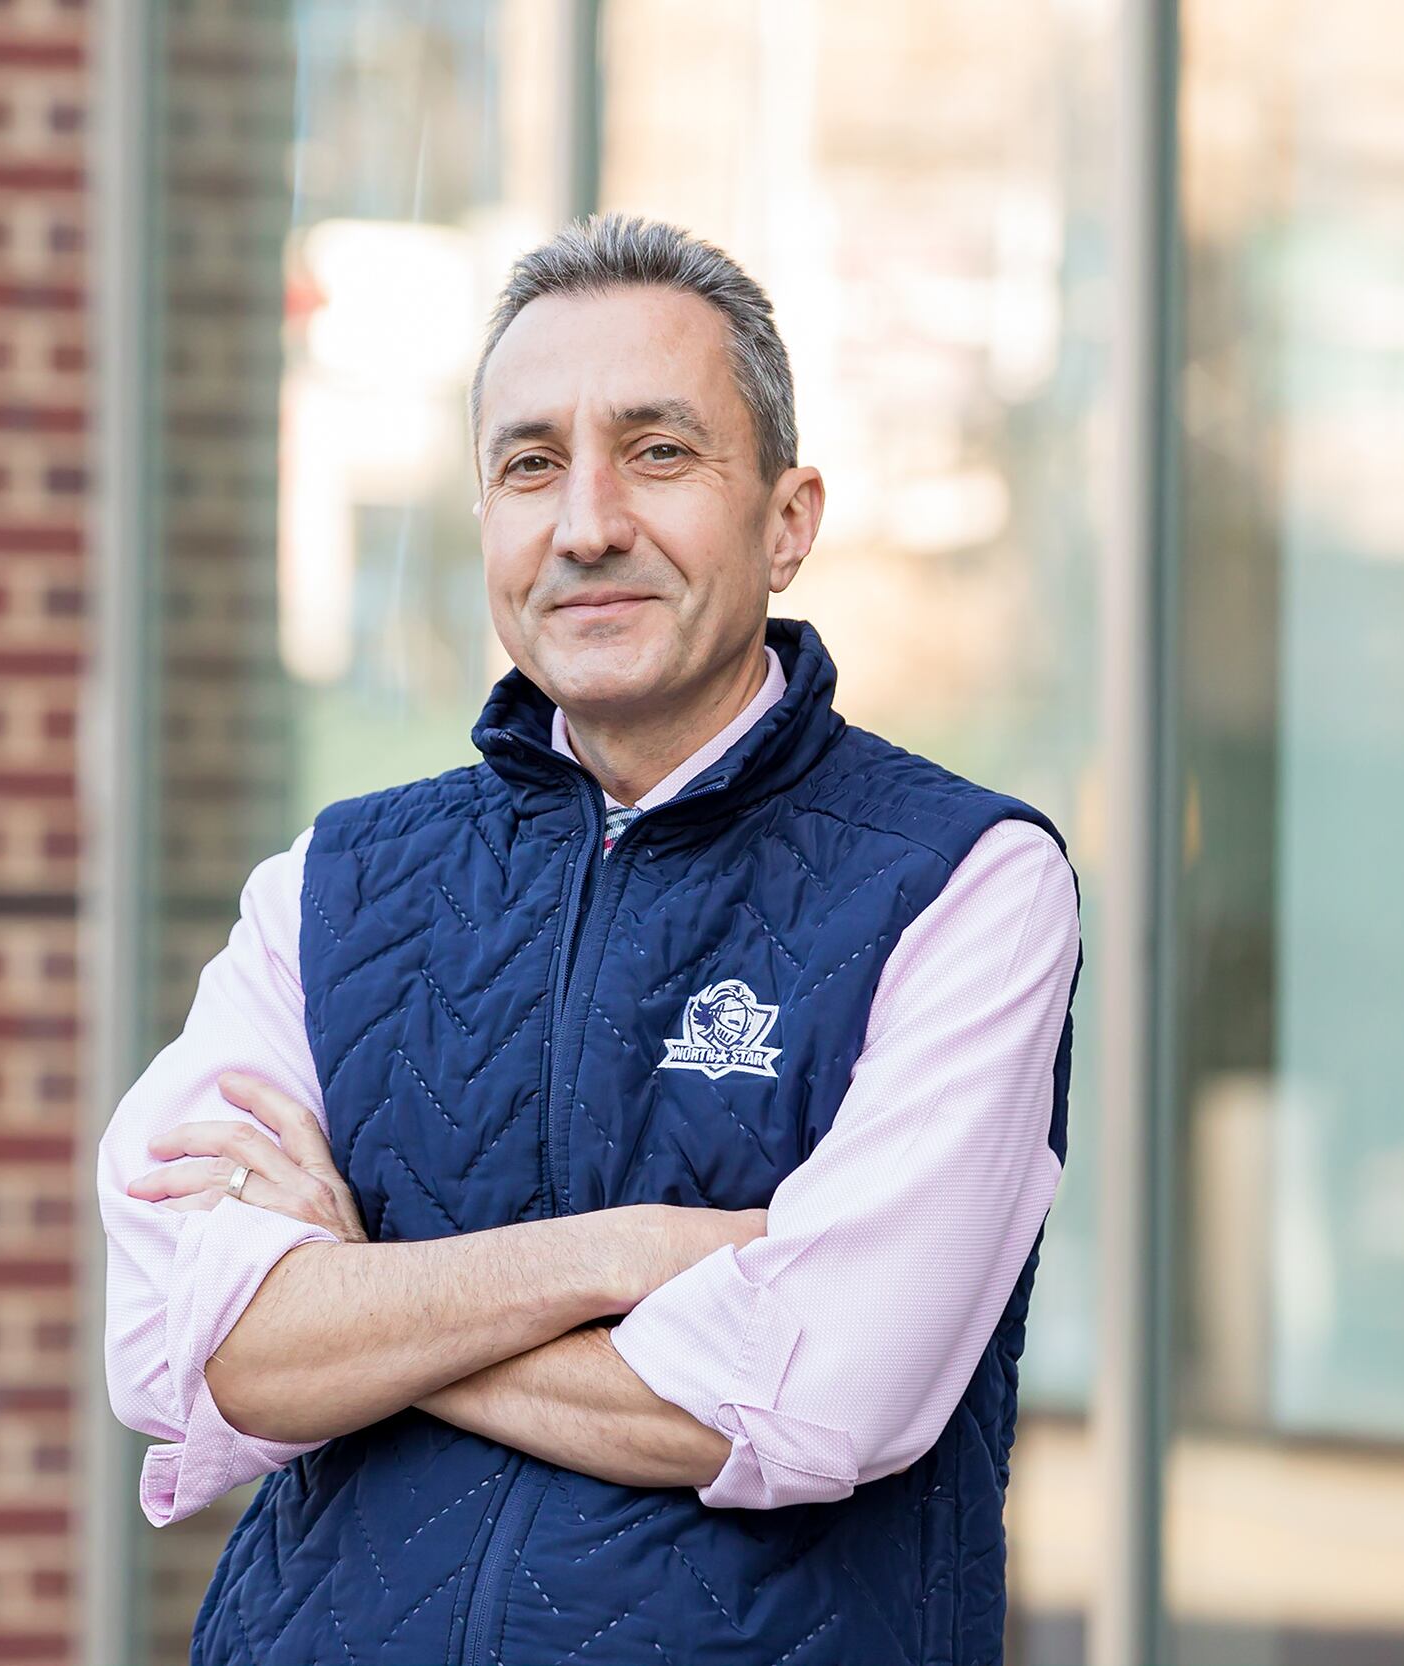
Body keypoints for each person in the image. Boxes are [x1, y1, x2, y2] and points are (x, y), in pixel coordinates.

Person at [97, 212, 1083, 1666]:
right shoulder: (336, 882)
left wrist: (367, 1293)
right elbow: (191, 1340)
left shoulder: (965, 884)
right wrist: (622, 1255)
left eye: (660, 450)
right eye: (530, 463)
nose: (587, 522)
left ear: (789, 518)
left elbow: (809, 1393)